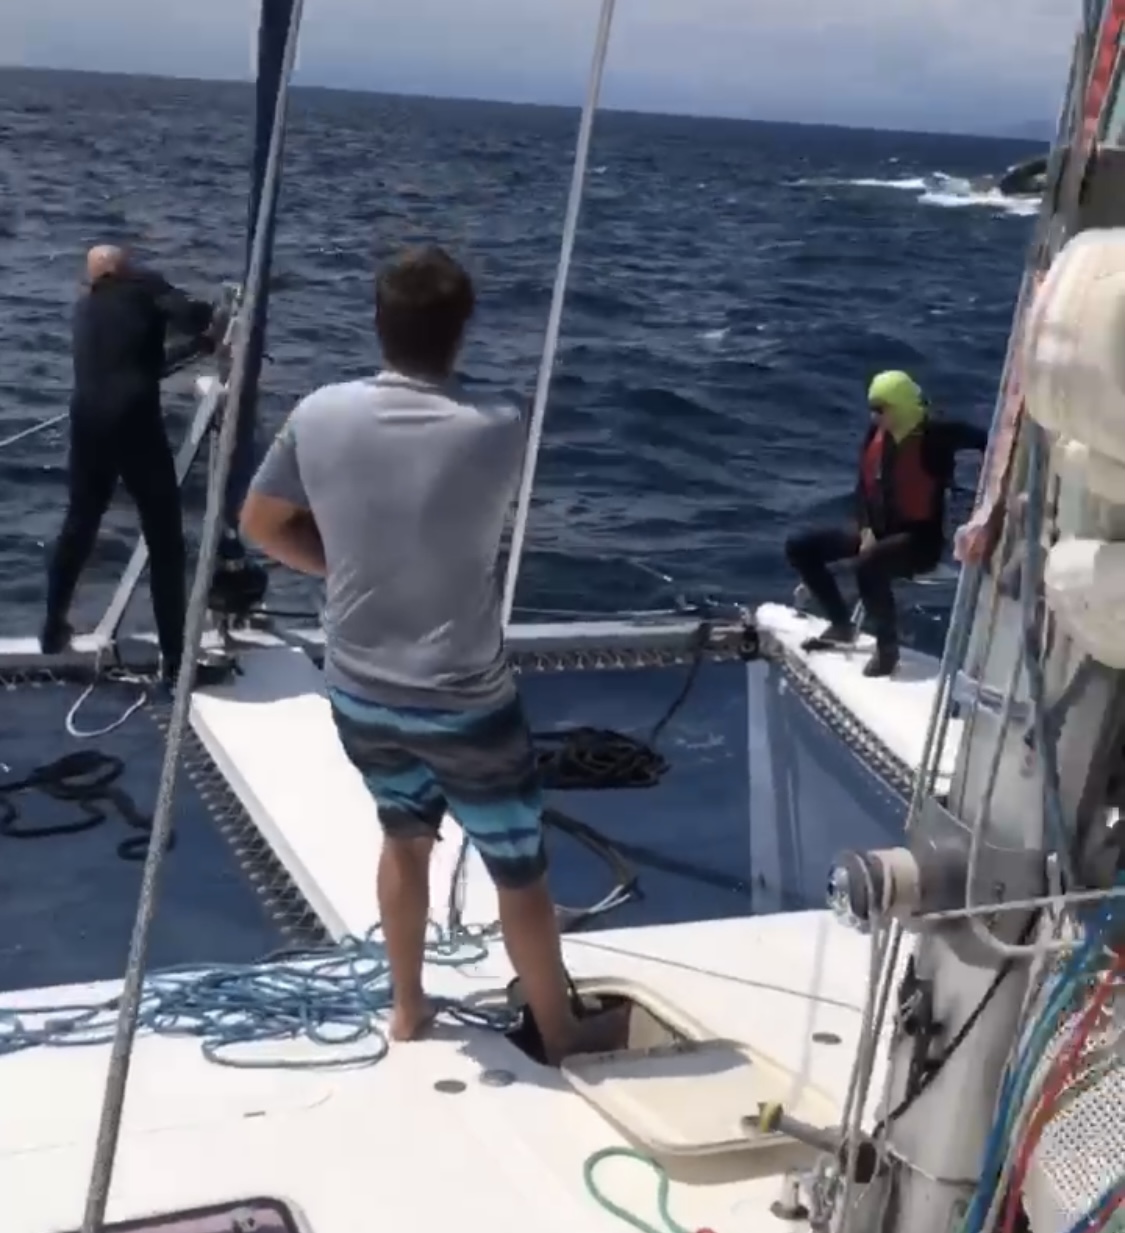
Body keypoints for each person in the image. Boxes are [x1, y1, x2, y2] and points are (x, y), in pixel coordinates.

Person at [239, 245, 624, 1063]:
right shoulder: (499, 424)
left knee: (402, 838)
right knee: (517, 868)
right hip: (465, 704)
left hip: (359, 692)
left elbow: (262, 524)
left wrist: (342, 562)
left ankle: (408, 1007)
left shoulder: (315, 413)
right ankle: (559, 1033)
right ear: (461, 332)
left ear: (377, 324)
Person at [41, 245, 219, 686]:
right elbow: (194, 314)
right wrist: (171, 294)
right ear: (126, 270)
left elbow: (141, 365)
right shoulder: (143, 290)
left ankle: (52, 626)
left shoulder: (86, 309)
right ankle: (176, 663)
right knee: (164, 538)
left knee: (80, 522)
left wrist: (200, 348)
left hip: (87, 419)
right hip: (135, 420)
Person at [785, 370, 987, 678]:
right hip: (877, 532)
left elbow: (988, 440)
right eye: (872, 409)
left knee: (868, 566)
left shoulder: (937, 434)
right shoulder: (876, 434)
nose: (874, 416)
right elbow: (863, 488)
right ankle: (841, 625)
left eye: (881, 409)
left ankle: (887, 651)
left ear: (900, 406)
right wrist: (865, 528)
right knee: (800, 547)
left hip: (920, 541)